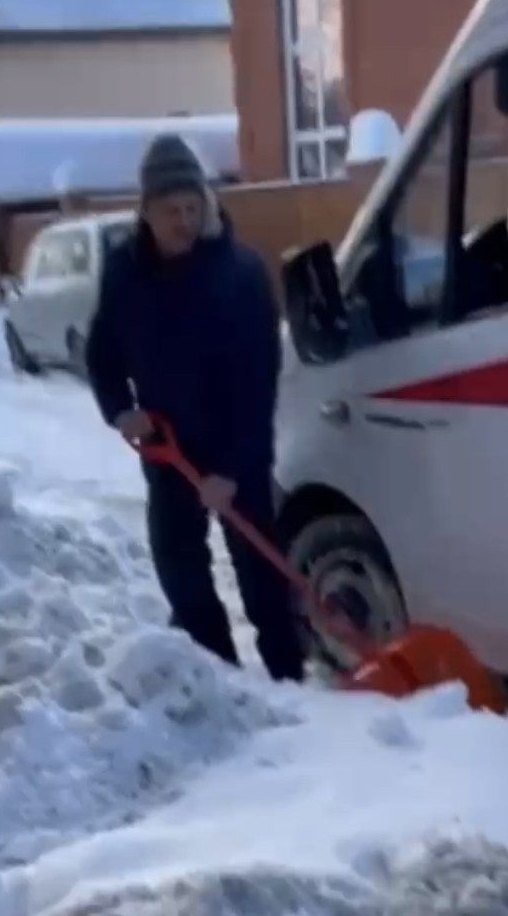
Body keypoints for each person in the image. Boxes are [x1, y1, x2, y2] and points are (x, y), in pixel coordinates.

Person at [85, 133, 306, 682]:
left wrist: (231, 471)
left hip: (238, 449)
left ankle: (288, 677)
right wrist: (120, 409)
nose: (185, 220)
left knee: (260, 575)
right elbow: (102, 349)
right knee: (179, 567)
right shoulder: (124, 272)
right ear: (145, 212)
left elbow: (261, 383)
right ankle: (217, 671)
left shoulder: (241, 274)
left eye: (193, 207)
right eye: (171, 210)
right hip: (167, 447)